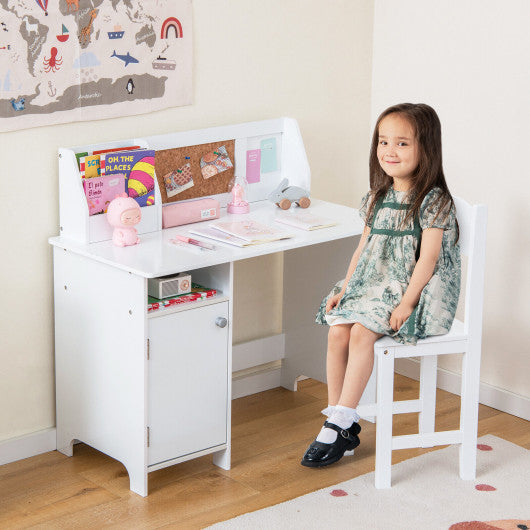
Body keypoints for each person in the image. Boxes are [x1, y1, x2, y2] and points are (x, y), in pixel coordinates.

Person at [301, 103, 461, 468]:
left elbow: (429, 259)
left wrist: (406, 303)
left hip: (408, 289)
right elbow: (363, 249)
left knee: (360, 332)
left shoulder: (433, 200)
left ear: (426, 149)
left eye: (402, 144)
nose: (389, 151)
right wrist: (345, 287)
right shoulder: (378, 195)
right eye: (383, 142)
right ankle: (339, 417)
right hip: (372, 283)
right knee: (337, 331)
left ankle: (339, 423)